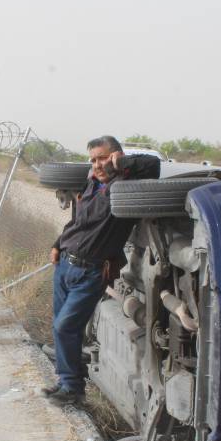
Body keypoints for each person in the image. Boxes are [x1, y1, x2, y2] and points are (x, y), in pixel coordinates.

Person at [45, 136, 161, 405]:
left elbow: (153, 164)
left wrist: (121, 163)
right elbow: (78, 222)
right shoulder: (92, 183)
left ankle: (73, 389)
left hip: (92, 271)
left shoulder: (125, 184)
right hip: (65, 264)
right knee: (61, 326)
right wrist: (57, 244)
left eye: (103, 158)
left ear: (116, 156)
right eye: (93, 159)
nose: (97, 164)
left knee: (65, 327)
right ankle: (66, 381)